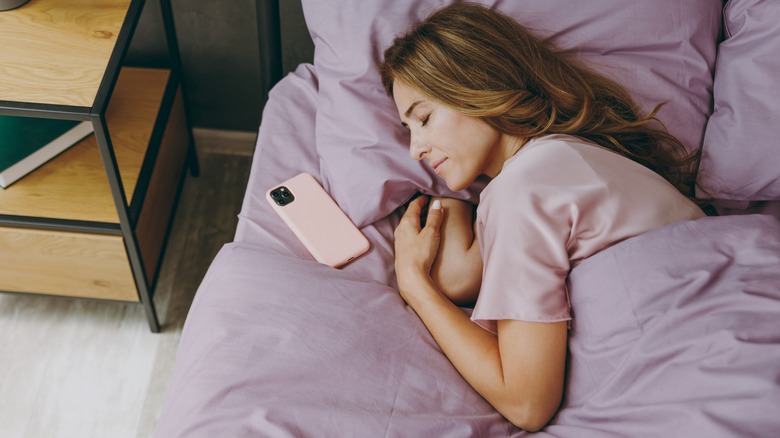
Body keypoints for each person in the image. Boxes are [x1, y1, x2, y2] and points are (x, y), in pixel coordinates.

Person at [380, 3, 705, 432]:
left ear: (480, 85)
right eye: (407, 130)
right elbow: (461, 278)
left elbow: (527, 403)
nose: (414, 150)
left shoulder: (524, 190)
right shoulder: (561, 157)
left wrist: (415, 287)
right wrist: (451, 202)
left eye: (424, 118)